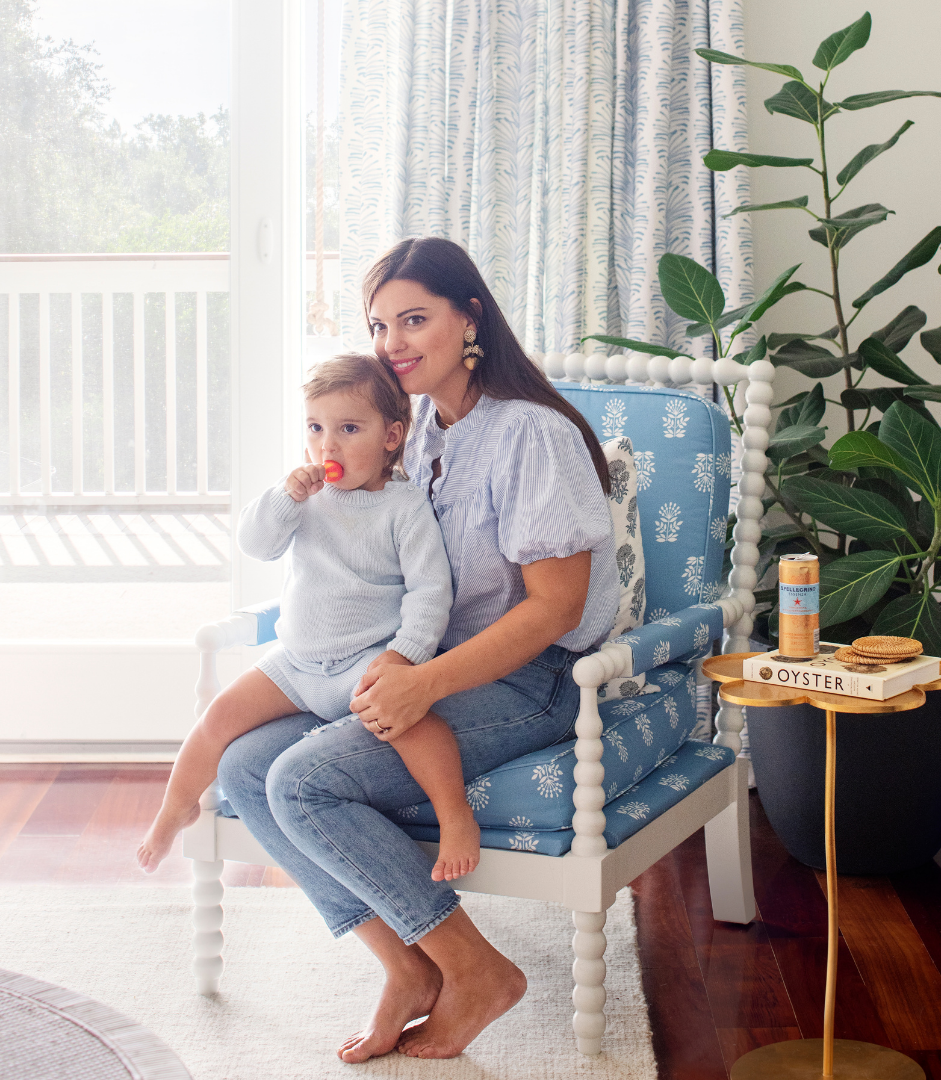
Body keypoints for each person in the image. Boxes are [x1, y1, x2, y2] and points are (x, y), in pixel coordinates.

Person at [216, 236, 618, 1061]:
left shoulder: (531, 435)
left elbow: (556, 608)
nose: (390, 342)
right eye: (378, 324)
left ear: (470, 318)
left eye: (413, 319)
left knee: (302, 781)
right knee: (242, 768)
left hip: (535, 677)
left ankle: (476, 973)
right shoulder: (417, 423)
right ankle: (407, 966)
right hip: (428, 662)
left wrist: (420, 684)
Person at [137, 354, 479, 882]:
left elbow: (431, 593)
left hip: (362, 662)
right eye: (316, 428)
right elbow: (256, 544)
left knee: (413, 725)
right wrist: (285, 496)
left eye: (348, 428)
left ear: (392, 437)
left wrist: (402, 658)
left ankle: (455, 817)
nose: (328, 446)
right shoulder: (303, 499)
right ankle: (175, 807)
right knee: (217, 721)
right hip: (295, 664)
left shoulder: (403, 508)